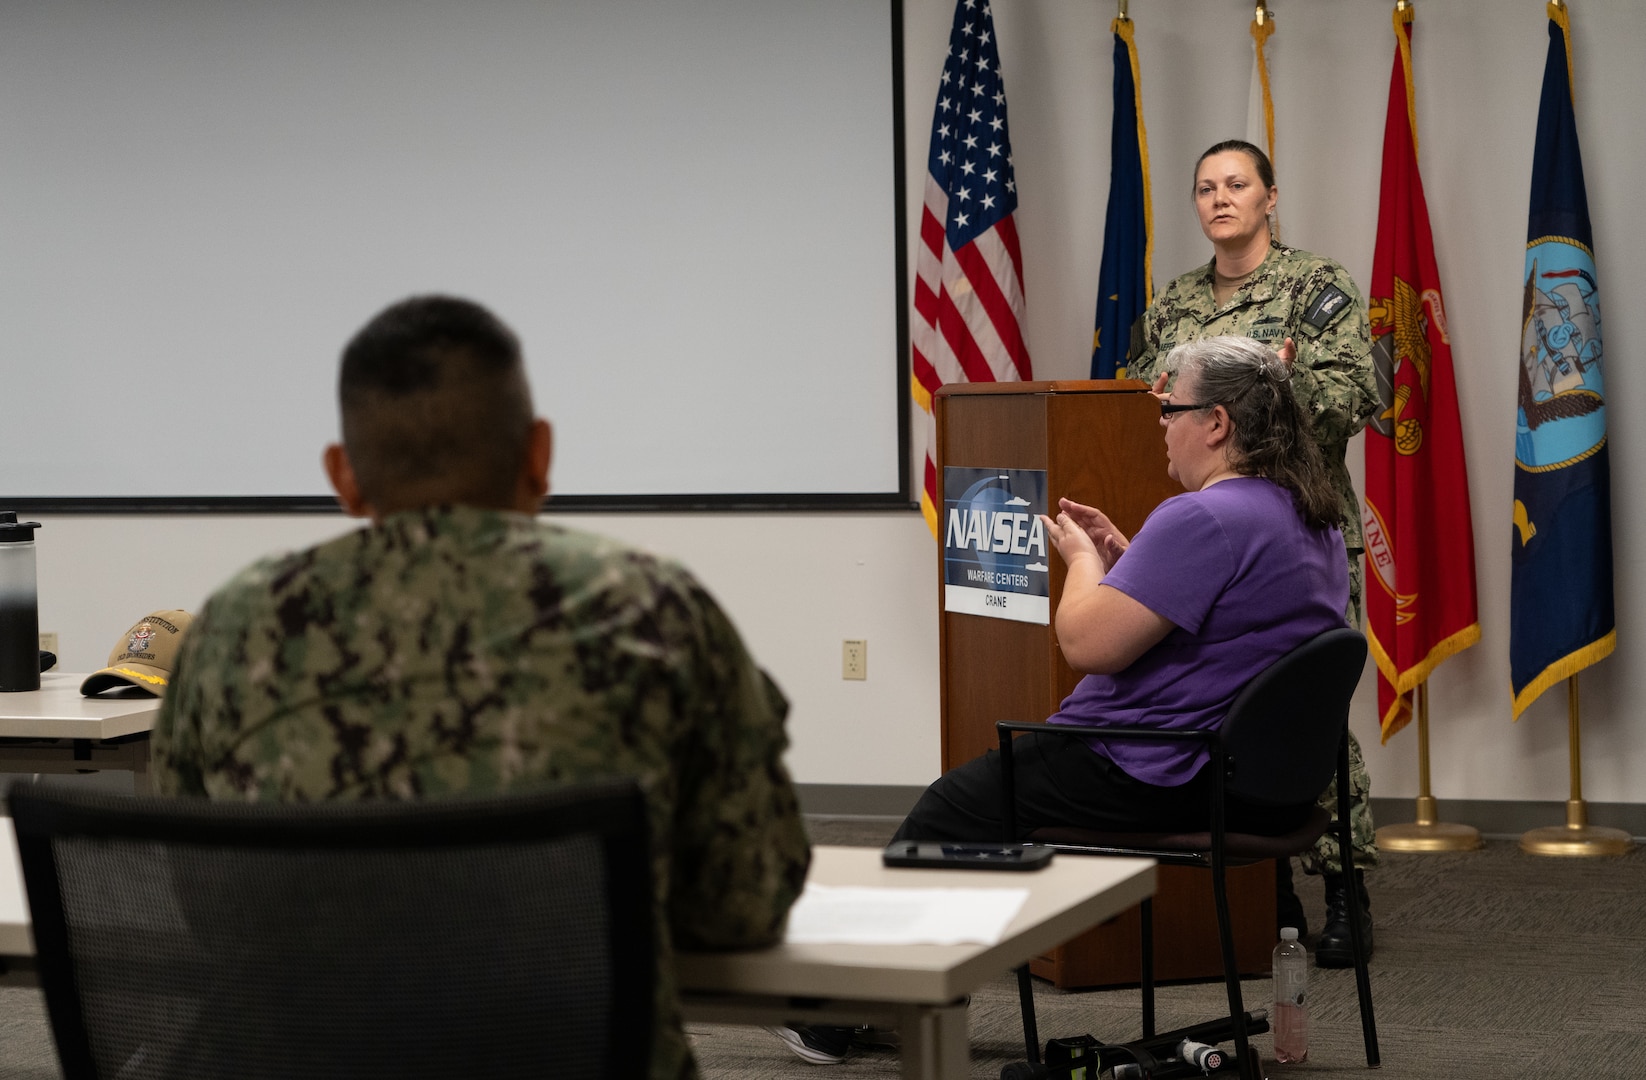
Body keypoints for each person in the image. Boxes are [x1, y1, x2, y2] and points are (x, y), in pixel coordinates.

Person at [151, 295, 812, 1080]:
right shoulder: (650, 605)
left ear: (345, 476)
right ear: (540, 454)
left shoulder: (234, 626)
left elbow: (207, 902)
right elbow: (742, 904)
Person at [1127, 139, 1378, 967]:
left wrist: (1265, 386)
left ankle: (1344, 885)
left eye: (1237, 184)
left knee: (1308, 705)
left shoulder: (1317, 284)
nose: (1220, 199)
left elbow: (1355, 395)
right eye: (1205, 188)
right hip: (1208, 535)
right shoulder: (1172, 306)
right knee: (1225, 703)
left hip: (1300, 526)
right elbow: (1139, 404)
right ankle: (1264, 891)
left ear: (1271, 196)